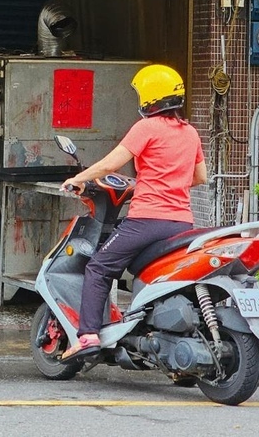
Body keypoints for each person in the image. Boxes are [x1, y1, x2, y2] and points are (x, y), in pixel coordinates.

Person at [58, 64, 207, 361]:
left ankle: (87, 336)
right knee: (146, 270)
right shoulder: (190, 132)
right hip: (181, 223)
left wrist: (78, 179)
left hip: (147, 221)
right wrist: (169, 183)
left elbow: (111, 164)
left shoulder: (146, 128)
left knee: (99, 267)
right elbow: (200, 177)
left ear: (150, 98)